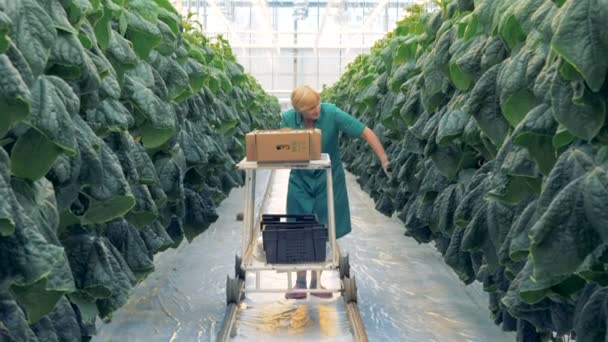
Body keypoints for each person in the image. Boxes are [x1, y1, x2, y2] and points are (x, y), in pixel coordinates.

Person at [280, 85, 390, 300]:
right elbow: (281, 146)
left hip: (328, 178)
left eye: (317, 104)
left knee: (322, 226)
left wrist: (384, 160)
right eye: (311, 108)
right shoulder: (289, 119)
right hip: (300, 180)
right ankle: (300, 282)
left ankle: (316, 282)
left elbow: (365, 132)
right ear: (299, 110)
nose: (316, 110)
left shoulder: (331, 112)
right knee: (300, 227)